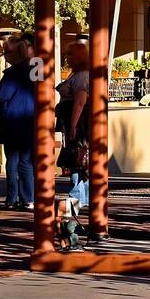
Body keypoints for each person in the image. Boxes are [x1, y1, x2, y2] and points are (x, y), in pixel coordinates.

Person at [0, 34, 35, 210]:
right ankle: (28, 199)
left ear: (14, 53)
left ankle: (11, 199)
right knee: (26, 163)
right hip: (29, 121)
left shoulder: (11, 74)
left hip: (12, 123)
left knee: (12, 162)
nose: (4, 56)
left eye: (6, 52)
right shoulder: (34, 69)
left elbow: (2, 96)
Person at [55, 41, 91, 213]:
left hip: (78, 125)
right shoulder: (75, 74)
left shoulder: (82, 76)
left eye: (69, 54)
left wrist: (73, 126)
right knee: (79, 161)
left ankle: (73, 207)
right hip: (73, 123)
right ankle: (80, 203)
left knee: (77, 161)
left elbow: (80, 101)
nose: (66, 57)